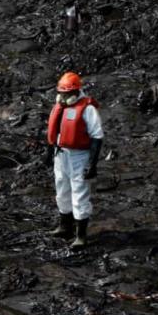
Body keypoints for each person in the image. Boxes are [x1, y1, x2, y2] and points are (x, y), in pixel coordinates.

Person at [44, 71, 104, 248]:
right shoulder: (59, 107)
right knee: (62, 190)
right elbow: (53, 134)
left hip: (79, 156)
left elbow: (97, 137)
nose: (63, 97)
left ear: (76, 92)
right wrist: (49, 154)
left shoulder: (88, 109)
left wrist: (92, 164)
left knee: (79, 193)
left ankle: (81, 235)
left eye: (67, 94)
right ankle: (65, 226)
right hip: (60, 154)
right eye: (61, 93)